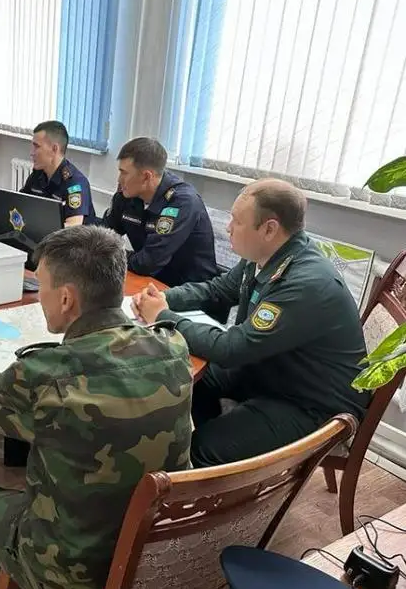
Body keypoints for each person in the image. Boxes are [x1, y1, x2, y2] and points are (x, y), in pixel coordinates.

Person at [0, 225, 193, 589]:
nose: (38, 297)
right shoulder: (174, 346)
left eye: (40, 287)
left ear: (66, 298)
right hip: (157, 555)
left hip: (74, 581)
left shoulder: (44, 373)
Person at [133, 179, 369, 468]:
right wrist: (165, 298)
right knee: (179, 379)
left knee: (202, 449)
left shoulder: (305, 283)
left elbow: (232, 348)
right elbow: (218, 289)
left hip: (311, 403)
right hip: (270, 370)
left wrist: (163, 317)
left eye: (237, 221)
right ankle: (210, 438)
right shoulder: (267, 255)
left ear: (269, 229)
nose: (228, 228)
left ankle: (213, 471)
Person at [103, 137, 217, 287]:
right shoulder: (127, 195)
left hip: (188, 291)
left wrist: (109, 255)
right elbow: (102, 235)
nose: (119, 179)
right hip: (149, 282)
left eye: (124, 173)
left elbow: (147, 263)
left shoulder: (182, 202)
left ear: (146, 177)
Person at [20, 121, 95, 226]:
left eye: (37, 146)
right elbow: (20, 204)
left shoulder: (75, 183)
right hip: (41, 232)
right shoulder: (38, 174)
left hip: (69, 237)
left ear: (54, 149)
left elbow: (72, 228)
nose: (31, 153)